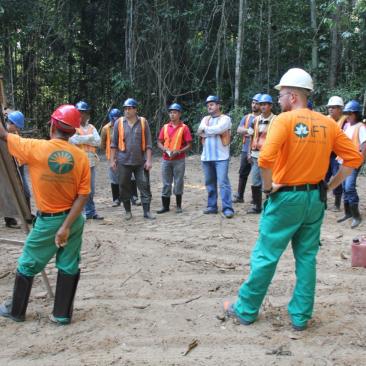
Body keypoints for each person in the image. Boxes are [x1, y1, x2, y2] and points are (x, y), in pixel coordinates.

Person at [224, 68, 363, 331]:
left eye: (280, 95)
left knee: (266, 255)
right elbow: (354, 159)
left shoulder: (284, 121)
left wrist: (268, 189)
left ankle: (245, 310)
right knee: (307, 258)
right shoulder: (328, 123)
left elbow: (264, 160)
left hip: (286, 198)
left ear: (292, 96)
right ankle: (300, 317)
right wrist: (329, 186)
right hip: (314, 200)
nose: (278, 101)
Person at [0, 104, 90, 324]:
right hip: (74, 220)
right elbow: (83, 196)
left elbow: (3, 135)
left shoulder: (35, 148)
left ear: (52, 126)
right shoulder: (81, 157)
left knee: (27, 262)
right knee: (68, 263)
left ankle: (16, 311)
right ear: (73, 131)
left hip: (49, 220)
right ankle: (61, 315)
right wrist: (67, 226)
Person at [110, 98, 154, 220]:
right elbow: (113, 144)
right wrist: (112, 160)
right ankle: (128, 211)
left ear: (135, 110)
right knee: (123, 187)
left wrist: (149, 160)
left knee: (145, 186)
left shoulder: (143, 122)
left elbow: (149, 144)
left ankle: (147, 212)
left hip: (141, 162)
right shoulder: (119, 123)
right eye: (125, 108)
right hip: (123, 161)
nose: (127, 111)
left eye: (129, 108)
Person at [197, 95, 234, 218]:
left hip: (221, 157)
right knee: (209, 183)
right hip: (206, 157)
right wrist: (211, 130)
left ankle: (227, 208)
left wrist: (206, 130)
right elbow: (199, 131)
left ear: (218, 105)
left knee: (223, 183)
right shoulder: (205, 119)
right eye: (208, 105)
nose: (209, 107)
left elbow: (219, 129)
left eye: (212, 104)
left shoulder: (226, 119)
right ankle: (212, 206)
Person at [70, 101, 103, 220]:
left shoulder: (92, 127)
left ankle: (91, 211)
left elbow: (98, 142)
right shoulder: (72, 127)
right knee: (80, 189)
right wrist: (89, 138)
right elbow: (73, 140)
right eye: (80, 112)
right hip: (78, 163)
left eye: (84, 112)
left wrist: (82, 139)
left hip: (91, 162)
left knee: (91, 189)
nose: (82, 115)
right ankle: (81, 213)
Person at [156, 103, 192, 214]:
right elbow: (159, 142)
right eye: (171, 112)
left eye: (175, 112)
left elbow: (189, 144)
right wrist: (164, 149)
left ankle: (178, 206)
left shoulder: (184, 128)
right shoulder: (165, 127)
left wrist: (179, 151)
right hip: (166, 159)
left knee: (178, 181)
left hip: (179, 159)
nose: (172, 115)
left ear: (179, 114)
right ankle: (165, 206)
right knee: (166, 182)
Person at [336, 100, 366, 228]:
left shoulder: (361, 127)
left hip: (352, 162)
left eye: (350, 113)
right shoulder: (347, 126)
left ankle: (356, 216)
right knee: (344, 187)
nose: (347, 116)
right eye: (346, 113)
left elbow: (364, 145)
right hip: (343, 160)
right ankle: (348, 213)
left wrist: (359, 161)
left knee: (349, 187)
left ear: (356, 114)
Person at [247, 93, 276, 214]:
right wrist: (249, 152)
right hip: (255, 155)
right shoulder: (255, 120)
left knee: (269, 182)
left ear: (270, 106)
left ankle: (270, 207)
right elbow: (251, 136)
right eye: (261, 104)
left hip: (270, 156)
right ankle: (257, 207)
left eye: (265, 104)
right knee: (255, 182)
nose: (263, 107)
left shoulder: (276, 120)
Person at [3, 110, 32, 228]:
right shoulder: (4, 133)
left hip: (19, 165)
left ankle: (27, 215)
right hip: (8, 167)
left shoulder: (14, 133)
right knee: (8, 192)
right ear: (11, 123)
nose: (18, 130)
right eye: (17, 127)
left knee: (25, 191)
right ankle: (9, 220)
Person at [233, 93, 262, 204]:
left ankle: (256, 199)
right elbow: (239, 129)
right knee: (243, 173)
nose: (254, 105)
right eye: (253, 103)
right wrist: (247, 131)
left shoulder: (263, 119)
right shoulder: (247, 117)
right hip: (246, 149)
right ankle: (240, 196)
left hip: (259, 151)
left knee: (258, 175)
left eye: (257, 103)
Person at [325, 96, 346, 211]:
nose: (331, 109)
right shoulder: (325, 119)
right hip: (325, 153)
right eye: (329, 107)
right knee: (322, 177)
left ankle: (337, 204)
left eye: (333, 107)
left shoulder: (346, 121)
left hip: (338, 155)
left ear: (340, 109)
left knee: (337, 176)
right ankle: (322, 201)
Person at [101, 108, 123, 207]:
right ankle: (116, 199)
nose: (115, 121)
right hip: (112, 156)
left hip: (123, 155)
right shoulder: (105, 129)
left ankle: (130, 197)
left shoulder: (124, 126)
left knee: (127, 177)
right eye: (114, 119)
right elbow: (102, 144)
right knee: (114, 179)